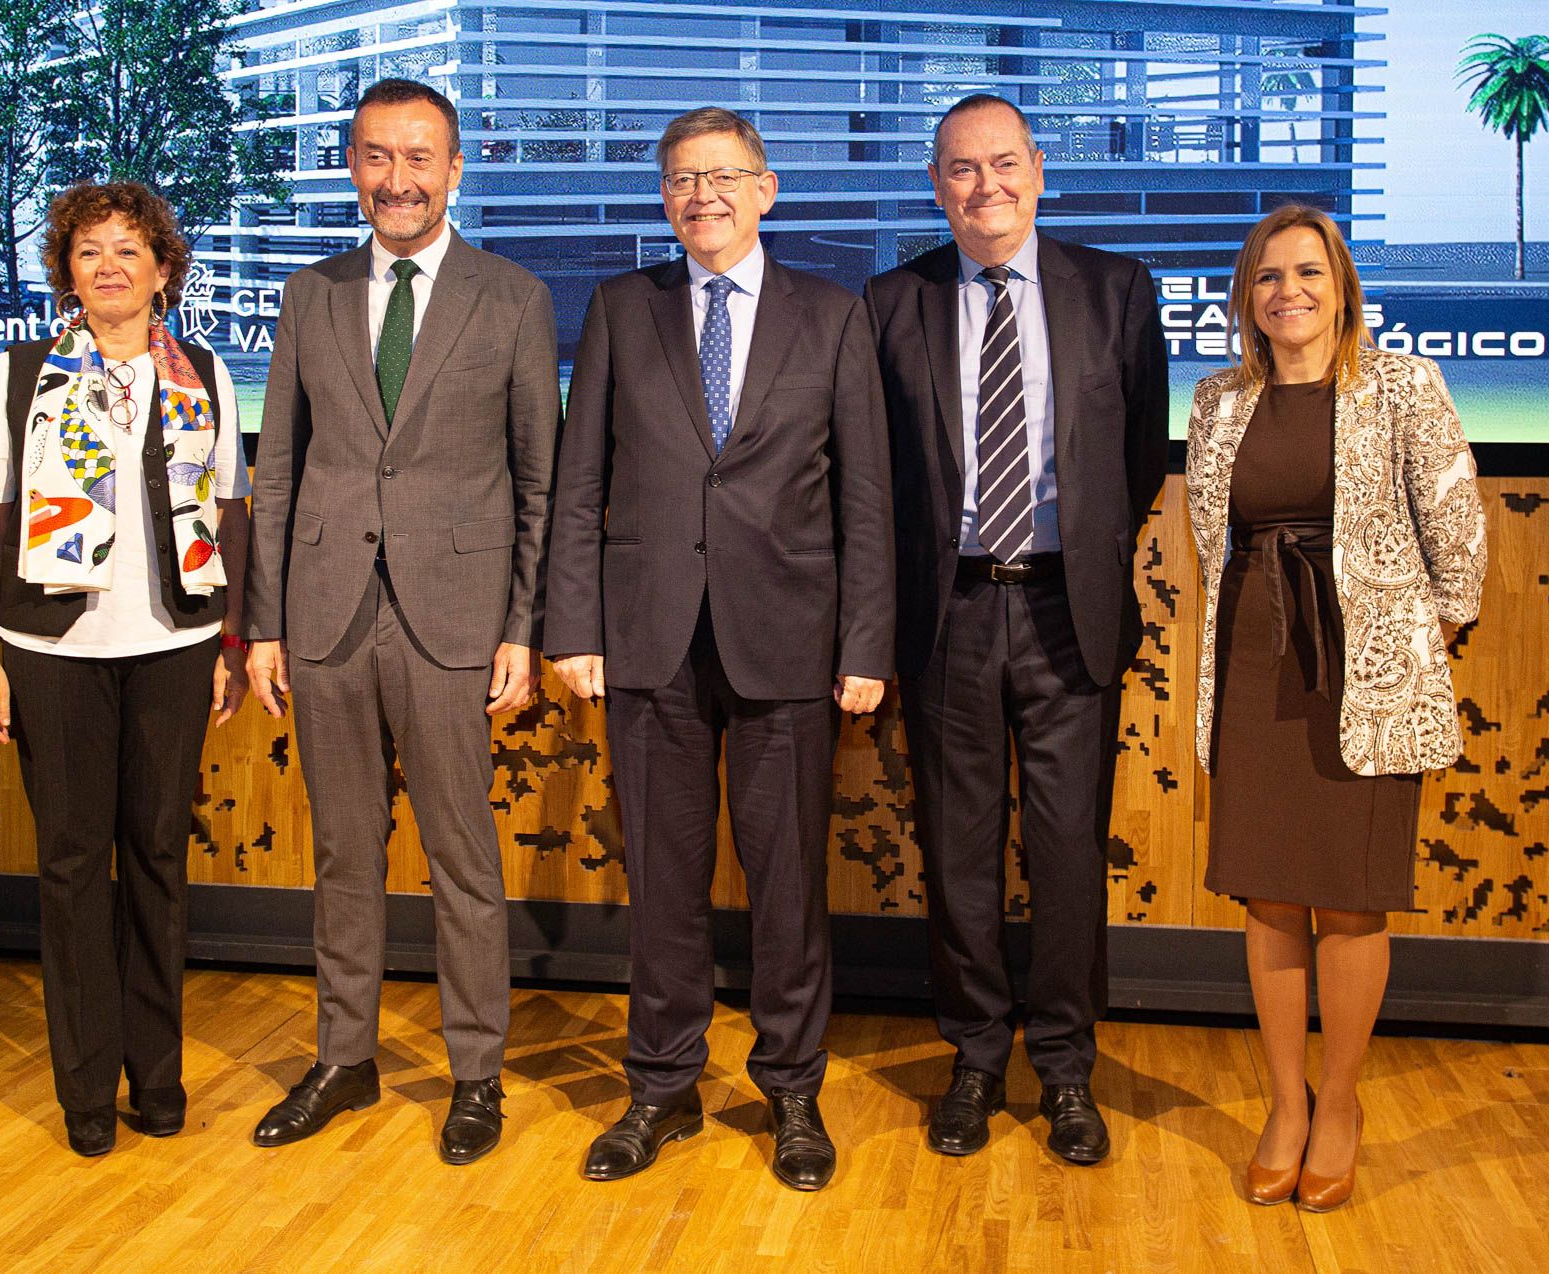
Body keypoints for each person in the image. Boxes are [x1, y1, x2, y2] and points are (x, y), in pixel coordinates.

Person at [545, 107, 893, 1192]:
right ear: (665, 199)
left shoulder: (832, 316)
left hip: (789, 643)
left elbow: (868, 499)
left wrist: (867, 638)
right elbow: (579, 483)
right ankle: (660, 1086)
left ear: (767, 189)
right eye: (685, 179)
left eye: (726, 176)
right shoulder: (619, 308)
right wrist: (571, 624)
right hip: (647, 640)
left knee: (788, 883)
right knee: (663, 880)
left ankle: (792, 1090)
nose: (705, 195)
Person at [242, 78, 559, 1164]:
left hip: (457, 621)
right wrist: (265, 622)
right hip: (326, 615)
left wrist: (523, 623)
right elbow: (275, 468)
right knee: (342, 854)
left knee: (464, 860)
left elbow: (538, 479)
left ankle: (477, 1072)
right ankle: (346, 1056)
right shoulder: (308, 295)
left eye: (418, 156)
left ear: (455, 168)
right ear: (352, 168)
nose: (398, 178)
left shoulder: (512, 296)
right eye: (377, 156)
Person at [864, 94, 1168, 1166]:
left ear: (1039, 169)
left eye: (1002, 164)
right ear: (935, 183)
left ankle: (1068, 1066)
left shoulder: (1116, 291)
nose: (984, 186)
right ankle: (977, 1056)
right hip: (944, 609)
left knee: (1068, 846)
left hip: (1063, 605)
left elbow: (1134, 460)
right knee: (957, 851)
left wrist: (1074, 553)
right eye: (960, 168)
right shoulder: (890, 302)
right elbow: (879, 476)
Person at [1185, 205, 1486, 1211]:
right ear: (1247, 297)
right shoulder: (1220, 399)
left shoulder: (1403, 383)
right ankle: (1284, 1103)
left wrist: (1416, 640)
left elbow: (1456, 527)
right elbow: (1210, 539)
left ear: (1342, 284)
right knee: (1268, 893)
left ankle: (1343, 1104)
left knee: (1352, 898)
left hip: (1370, 670)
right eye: (1268, 277)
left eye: (1308, 272)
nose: (1288, 292)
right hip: (1258, 656)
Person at [0, 181, 252, 1157]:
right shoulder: (20, 373)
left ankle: (157, 1076)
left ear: (164, 268)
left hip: (174, 651)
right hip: (50, 653)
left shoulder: (205, 369)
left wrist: (228, 644)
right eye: (89, 250)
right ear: (67, 272)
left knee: (159, 865)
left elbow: (230, 518)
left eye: (130, 248)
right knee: (74, 868)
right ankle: (87, 1088)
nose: (110, 266)